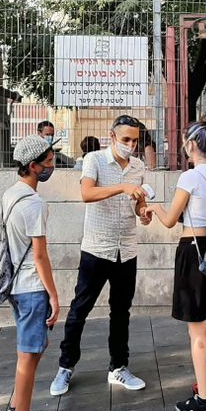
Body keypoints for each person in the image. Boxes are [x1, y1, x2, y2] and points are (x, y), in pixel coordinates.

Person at [50, 115, 151, 396]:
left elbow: (139, 204)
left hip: (126, 249)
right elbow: (87, 194)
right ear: (112, 137)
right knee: (80, 309)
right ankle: (65, 367)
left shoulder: (138, 166)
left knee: (121, 312)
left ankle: (119, 367)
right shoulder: (94, 159)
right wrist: (122, 187)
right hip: (97, 248)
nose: (130, 145)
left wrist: (143, 213)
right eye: (126, 139)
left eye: (135, 140)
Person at [144, 111, 206, 411]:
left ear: (192, 144)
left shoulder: (190, 177)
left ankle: (205, 400)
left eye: (184, 141)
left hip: (193, 251)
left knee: (196, 328)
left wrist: (155, 207)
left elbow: (171, 220)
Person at [2, 135, 61, 411]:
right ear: (34, 166)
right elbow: (40, 257)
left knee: (32, 349)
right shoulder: (34, 203)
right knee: (28, 354)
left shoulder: (10, 194)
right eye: (48, 161)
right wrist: (53, 295)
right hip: (32, 288)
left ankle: (17, 407)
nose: (53, 164)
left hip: (15, 285)